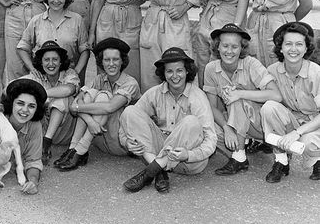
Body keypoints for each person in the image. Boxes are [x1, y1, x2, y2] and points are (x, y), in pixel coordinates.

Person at [120, 47, 216, 193]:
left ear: (187, 71)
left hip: (187, 162)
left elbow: (211, 140)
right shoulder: (154, 93)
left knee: (191, 121)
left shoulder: (198, 97)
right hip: (160, 150)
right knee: (130, 111)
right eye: (169, 71)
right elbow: (127, 122)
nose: (175, 76)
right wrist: (126, 143)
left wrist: (189, 155)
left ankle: (149, 172)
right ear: (163, 73)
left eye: (179, 70)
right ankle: (158, 169)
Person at [203, 23, 282, 175]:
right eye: (225, 46)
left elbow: (276, 95)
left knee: (235, 96)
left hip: (262, 124)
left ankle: (239, 157)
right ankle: (243, 143)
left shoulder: (251, 63)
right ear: (217, 47)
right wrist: (226, 128)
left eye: (235, 47)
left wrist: (241, 93)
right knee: (206, 124)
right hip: (237, 122)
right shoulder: (211, 68)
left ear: (242, 48)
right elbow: (211, 107)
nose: (229, 51)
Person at [55, 38, 141, 171]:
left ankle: (80, 150)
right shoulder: (99, 79)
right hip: (98, 138)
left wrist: (77, 107)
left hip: (121, 141)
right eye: (107, 60)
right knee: (90, 93)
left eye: (115, 59)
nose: (111, 64)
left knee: (103, 96)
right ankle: (74, 147)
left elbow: (109, 107)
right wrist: (91, 122)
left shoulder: (130, 83)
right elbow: (77, 100)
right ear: (101, 62)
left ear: (122, 61)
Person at [260, 22, 320, 182]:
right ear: (280, 48)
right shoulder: (272, 70)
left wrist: (297, 133)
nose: (293, 49)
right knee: (269, 107)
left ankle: (317, 160)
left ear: (306, 48)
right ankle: (281, 161)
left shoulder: (316, 72)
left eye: (299, 44)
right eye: (288, 44)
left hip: (315, 123)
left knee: (307, 142)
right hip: (292, 119)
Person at [17, 0, 90, 84]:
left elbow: (84, 50)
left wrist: (76, 71)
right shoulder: (36, 21)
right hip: (42, 77)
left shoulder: (77, 20)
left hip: (67, 78)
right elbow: (22, 48)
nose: (56, 1)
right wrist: (32, 69)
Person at [21, 41, 80, 165]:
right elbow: (13, 86)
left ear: (61, 61)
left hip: (64, 132)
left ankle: (46, 144)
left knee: (61, 97)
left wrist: (40, 94)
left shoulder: (69, 73)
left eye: (55, 59)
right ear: (41, 62)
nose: (51, 64)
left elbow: (69, 89)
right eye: (46, 60)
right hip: (41, 130)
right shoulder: (37, 76)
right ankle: (41, 143)